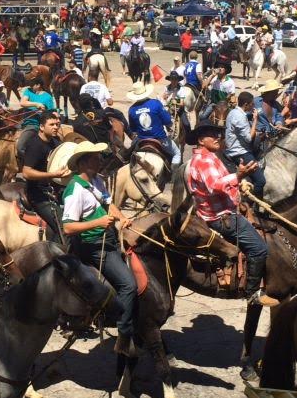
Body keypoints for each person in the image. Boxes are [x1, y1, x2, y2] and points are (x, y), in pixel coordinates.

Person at [186, 121, 278, 306]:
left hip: (226, 209)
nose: (218, 136)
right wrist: (239, 176)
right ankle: (252, 294)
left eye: (218, 133)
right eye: (212, 133)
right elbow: (215, 185)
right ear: (201, 140)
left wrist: (240, 184)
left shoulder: (211, 156)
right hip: (220, 218)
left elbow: (222, 181)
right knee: (259, 249)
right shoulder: (203, 161)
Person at [61, 142, 138, 355]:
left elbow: (107, 204)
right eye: (96, 157)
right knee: (128, 285)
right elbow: (68, 227)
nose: (101, 160)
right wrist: (98, 223)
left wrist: (122, 218)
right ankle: (123, 335)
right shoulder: (74, 190)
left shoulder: (96, 181)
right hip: (93, 246)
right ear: (84, 162)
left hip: (109, 237)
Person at [22, 111, 68, 243]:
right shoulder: (34, 145)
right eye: (51, 124)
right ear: (42, 127)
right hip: (39, 195)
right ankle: (62, 258)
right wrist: (53, 174)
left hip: (55, 191)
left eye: (57, 124)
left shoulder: (55, 142)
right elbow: (26, 172)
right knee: (63, 226)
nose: (55, 127)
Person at [127, 81, 181, 167]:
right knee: (177, 154)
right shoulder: (156, 103)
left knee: (129, 153)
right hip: (160, 139)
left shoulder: (132, 109)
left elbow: (133, 129)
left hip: (141, 140)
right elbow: (167, 121)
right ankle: (173, 178)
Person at [224, 91, 266, 198]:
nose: (253, 106)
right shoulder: (240, 117)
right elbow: (248, 138)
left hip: (231, 148)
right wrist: (255, 120)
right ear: (246, 104)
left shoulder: (233, 112)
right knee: (261, 181)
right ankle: (253, 205)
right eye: (252, 104)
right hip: (240, 152)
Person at [16, 77, 57, 159]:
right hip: (23, 122)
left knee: (20, 147)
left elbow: (51, 113)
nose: (30, 86)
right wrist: (36, 104)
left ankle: (29, 163)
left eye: (32, 85)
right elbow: (22, 103)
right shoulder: (28, 91)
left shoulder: (47, 97)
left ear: (38, 85)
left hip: (34, 124)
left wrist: (43, 112)